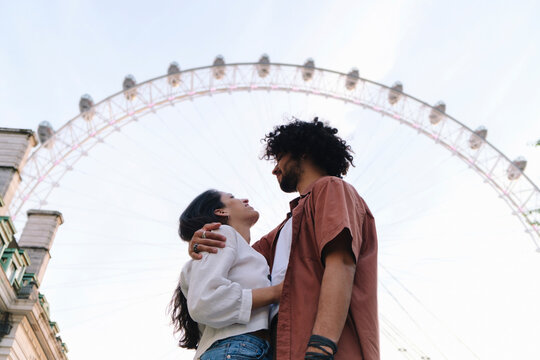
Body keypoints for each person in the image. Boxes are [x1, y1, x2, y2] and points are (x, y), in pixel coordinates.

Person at [189, 118, 380, 360]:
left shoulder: (331, 188)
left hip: (324, 347)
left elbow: (341, 263)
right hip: (285, 345)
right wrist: (198, 243)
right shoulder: (282, 231)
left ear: (303, 152)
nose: (275, 168)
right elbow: (237, 263)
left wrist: (322, 346)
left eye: (279, 157)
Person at [170, 189, 283, 360]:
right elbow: (205, 300)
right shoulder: (222, 234)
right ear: (221, 211)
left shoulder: (245, 252)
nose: (244, 199)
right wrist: (277, 292)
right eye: (233, 197)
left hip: (241, 349)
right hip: (235, 348)